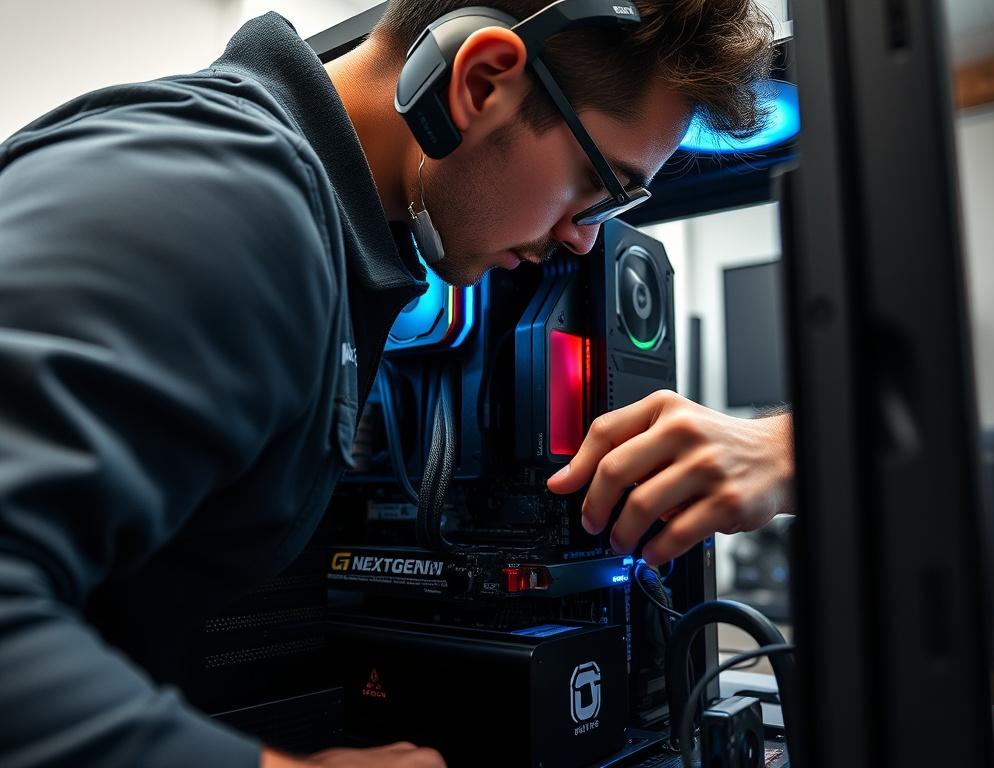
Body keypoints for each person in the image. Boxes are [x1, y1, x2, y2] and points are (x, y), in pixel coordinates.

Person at [0, 1, 787, 766]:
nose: (585, 240)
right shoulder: (223, 198)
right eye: (595, 182)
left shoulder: (328, 234)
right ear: (481, 84)